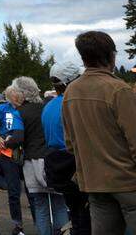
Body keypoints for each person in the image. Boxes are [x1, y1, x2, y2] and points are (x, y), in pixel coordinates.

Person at [62, 30, 136, 234]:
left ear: (83, 57)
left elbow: (70, 143)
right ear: (111, 56)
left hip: (95, 183)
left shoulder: (71, 91)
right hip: (130, 183)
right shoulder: (118, 89)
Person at [11, 75, 69, 235]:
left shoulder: (19, 112)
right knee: (59, 203)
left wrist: (8, 141)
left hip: (32, 161)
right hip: (54, 158)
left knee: (40, 205)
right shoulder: (48, 106)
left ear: (21, 93)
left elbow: (18, 138)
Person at [43, 61, 89, 235]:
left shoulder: (49, 105)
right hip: (73, 163)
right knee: (86, 217)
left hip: (56, 166)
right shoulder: (73, 104)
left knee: (76, 215)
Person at [0, 85, 26, 233]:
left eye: (18, 97)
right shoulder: (3, 109)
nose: (17, 100)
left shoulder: (25, 108)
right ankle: (18, 224)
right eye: (14, 98)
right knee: (14, 189)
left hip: (25, 150)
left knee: (30, 189)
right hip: (7, 152)